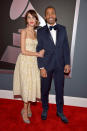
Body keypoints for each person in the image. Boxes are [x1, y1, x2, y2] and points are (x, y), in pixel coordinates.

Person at [37, 6, 70, 123]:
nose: (50, 15)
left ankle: (60, 111)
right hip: (46, 65)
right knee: (45, 89)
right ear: (45, 17)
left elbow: (66, 47)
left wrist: (67, 63)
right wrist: (41, 67)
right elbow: (39, 49)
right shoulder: (40, 32)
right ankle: (45, 108)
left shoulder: (63, 29)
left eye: (52, 13)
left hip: (60, 66)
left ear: (55, 15)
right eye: (48, 13)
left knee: (60, 90)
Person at [13, 10, 44, 124]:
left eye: (33, 17)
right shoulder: (24, 32)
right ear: (26, 20)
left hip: (33, 63)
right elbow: (23, 51)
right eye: (29, 17)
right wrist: (37, 54)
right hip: (25, 61)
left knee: (31, 85)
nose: (31, 20)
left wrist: (42, 51)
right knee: (26, 85)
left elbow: (39, 47)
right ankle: (24, 111)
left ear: (36, 20)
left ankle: (28, 107)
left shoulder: (36, 33)